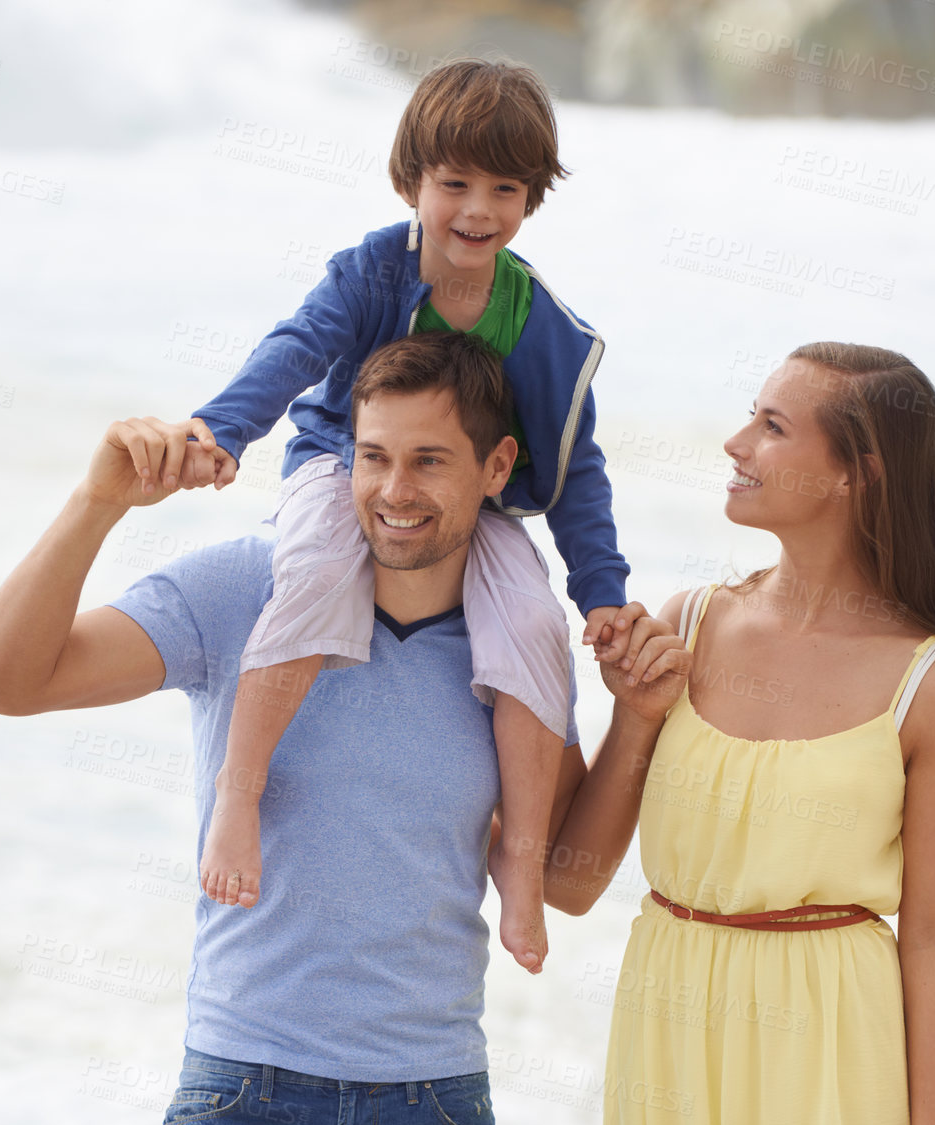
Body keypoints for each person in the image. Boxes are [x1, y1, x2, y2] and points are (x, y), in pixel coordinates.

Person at [0, 331, 685, 1125]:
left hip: (434, 1100)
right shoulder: (246, 587)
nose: (393, 491)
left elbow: (568, 883)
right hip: (244, 1093)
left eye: (430, 461)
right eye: (373, 458)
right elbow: (1, 682)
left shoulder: (512, 640)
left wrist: (637, 717)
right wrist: (98, 503)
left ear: (497, 466)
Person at [171, 59, 634, 977]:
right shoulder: (371, 272)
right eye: (454, 182)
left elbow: (579, 472)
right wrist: (221, 430)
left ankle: (523, 859)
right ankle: (240, 787)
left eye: (504, 189)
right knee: (308, 577)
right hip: (343, 464)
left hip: (474, 502)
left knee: (531, 629)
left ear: (531, 199)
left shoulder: (543, 328)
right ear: (412, 180)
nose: (476, 209)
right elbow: (295, 349)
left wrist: (602, 598)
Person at [549, 343, 935, 1125]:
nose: (736, 445)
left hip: (833, 1049)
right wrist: (635, 716)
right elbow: (567, 887)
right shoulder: (686, 628)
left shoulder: (934, 688)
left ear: (858, 474)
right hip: (665, 1029)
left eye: (772, 426)